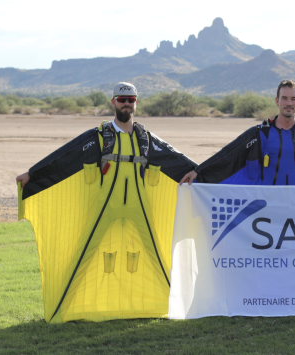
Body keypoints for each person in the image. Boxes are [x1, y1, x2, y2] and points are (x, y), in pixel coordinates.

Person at [16, 82, 197, 323]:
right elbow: (64, 158)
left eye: (130, 100)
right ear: (113, 102)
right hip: (104, 208)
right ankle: (62, 308)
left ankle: (173, 305)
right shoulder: (97, 137)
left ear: (136, 102)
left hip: (140, 207)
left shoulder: (146, 139)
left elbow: (177, 160)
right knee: (84, 253)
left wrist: (200, 173)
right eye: (121, 99)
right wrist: (33, 174)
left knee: (156, 253)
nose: (126, 104)